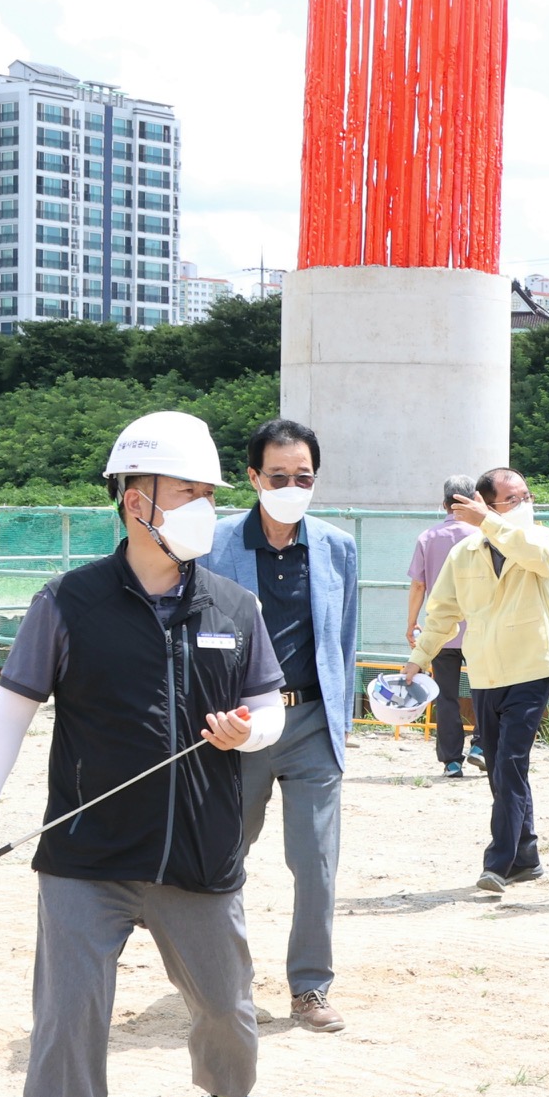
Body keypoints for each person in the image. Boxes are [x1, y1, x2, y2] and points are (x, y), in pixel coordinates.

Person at [0, 411, 287, 1097]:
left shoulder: (234, 603)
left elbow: (271, 704)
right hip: (86, 858)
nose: (202, 507)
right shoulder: (68, 601)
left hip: (200, 853)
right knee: (68, 1017)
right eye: (188, 491)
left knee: (227, 1008)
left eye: (208, 494)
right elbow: (12, 709)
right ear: (135, 500)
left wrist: (250, 731)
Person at [207, 418, 361, 1035]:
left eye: (303, 477)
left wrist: (339, 724)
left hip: (310, 725)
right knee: (224, 857)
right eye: (278, 477)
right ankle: (223, 982)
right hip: (239, 725)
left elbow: (342, 643)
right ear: (253, 478)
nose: (291, 486)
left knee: (317, 862)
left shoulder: (336, 548)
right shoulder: (215, 545)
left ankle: (310, 987)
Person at [406, 469, 549, 893]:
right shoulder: (464, 554)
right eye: (511, 499)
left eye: (526, 496)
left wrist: (492, 521)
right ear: (485, 502)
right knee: (499, 768)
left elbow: (540, 558)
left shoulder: (543, 539)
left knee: (511, 763)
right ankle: (527, 855)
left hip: (532, 668)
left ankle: (498, 863)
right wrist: (418, 659)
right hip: (485, 672)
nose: (524, 504)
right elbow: (442, 614)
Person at [408, 474, 484, 779]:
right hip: (480, 628)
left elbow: (418, 585)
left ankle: (452, 761)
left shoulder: (428, 538)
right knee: (485, 691)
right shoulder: (483, 535)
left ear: (444, 503)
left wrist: (412, 622)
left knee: (446, 695)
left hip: (441, 630)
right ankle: (481, 746)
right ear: (475, 499)